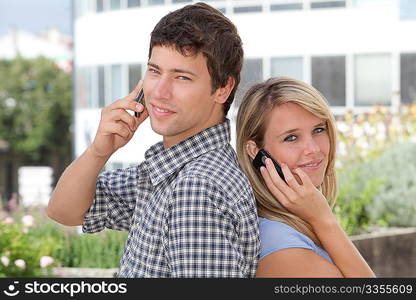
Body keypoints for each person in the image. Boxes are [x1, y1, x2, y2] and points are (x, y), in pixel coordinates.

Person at [47, 2, 259, 278]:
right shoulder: (167, 174)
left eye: (182, 77)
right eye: (155, 71)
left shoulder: (195, 189)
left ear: (223, 88)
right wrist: (99, 152)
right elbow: (65, 211)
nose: (159, 92)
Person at [236, 77, 375, 277]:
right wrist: (323, 219)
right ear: (255, 151)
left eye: (318, 130)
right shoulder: (282, 249)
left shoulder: (295, 226)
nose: (313, 149)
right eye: (291, 137)